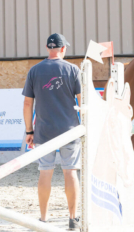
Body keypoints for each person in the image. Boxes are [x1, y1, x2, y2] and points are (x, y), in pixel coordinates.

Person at [22, 33, 82, 230]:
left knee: (45, 172)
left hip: (44, 131)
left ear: (48, 48)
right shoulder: (73, 70)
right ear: (63, 49)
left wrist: (29, 131)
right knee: (70, 172)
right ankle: (73, 218)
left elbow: (27, 103)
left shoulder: (34, 71)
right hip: (69, 130)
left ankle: (43, 218)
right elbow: (82, 102)